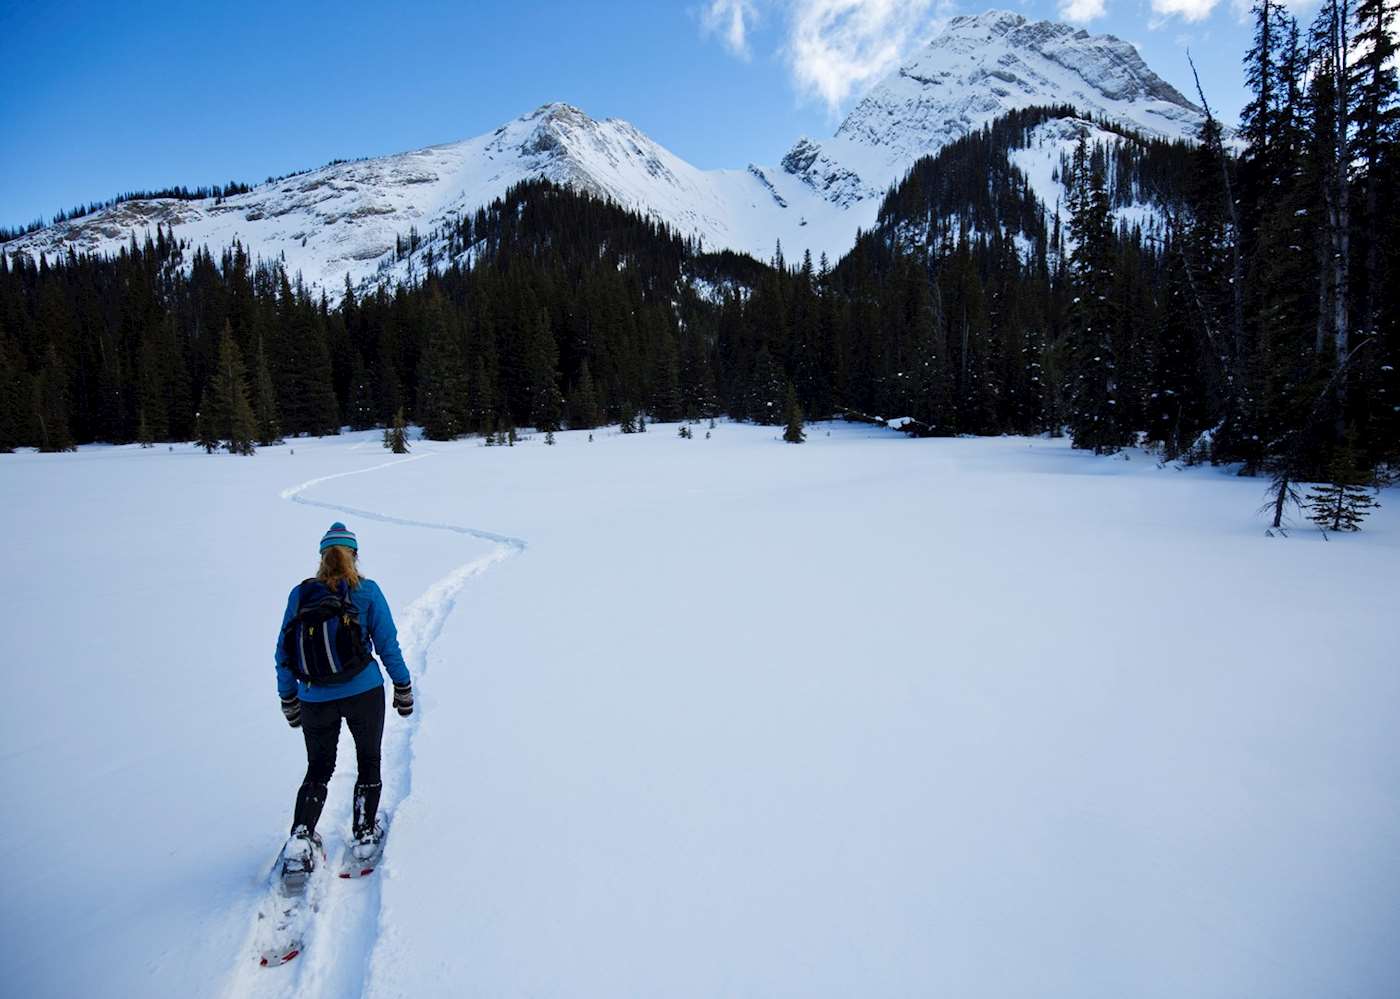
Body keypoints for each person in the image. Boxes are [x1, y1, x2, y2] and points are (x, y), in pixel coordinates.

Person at [275, 522, 413, 878]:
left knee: (318, 768)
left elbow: (284, 650)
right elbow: (387, 644)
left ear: (322, 557)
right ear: (354, 555)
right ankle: (365, 833)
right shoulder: (366, 591)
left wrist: (289, 697)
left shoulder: (301, 594)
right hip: (364, 691)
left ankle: (302, 839)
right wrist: (403, 686)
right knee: (369, 759)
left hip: (313, 697)